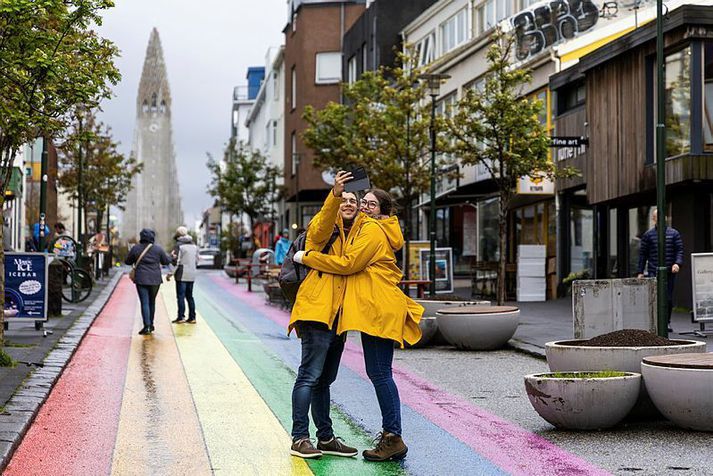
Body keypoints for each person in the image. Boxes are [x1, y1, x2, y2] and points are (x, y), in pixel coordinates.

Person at [294, 188, 423, 462]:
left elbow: (349, 264)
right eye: (361, 201)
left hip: (378, 309)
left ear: (382, 210)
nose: (363, 206)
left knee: (379, 373)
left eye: (370, 204)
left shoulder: (373, 230)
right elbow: (323, 229)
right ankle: (374, 436)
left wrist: (306, 257)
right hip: (372, 309)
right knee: (375, 373)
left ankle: (392, 437)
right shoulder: (366, 228)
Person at [287, 170, 359, 460]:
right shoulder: (324, 227)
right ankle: (299, 437)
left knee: (324, 380)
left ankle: (325, 437)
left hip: (339, 317)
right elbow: (320, 228)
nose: (349, 203)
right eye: (345, 200)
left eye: (354, 200)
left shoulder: (355, 234)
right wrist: (335, 194)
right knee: (309, 376)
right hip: (317, 312)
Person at [637, 209, 684, 332]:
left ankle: (666, 322)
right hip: (654, 271)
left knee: (667, 298)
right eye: (656, 217)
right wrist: (640, 271)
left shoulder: (674, 234)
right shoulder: (648, 235)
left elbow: (679, 250)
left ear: (666, 218)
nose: (659, 219)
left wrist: (677, 263)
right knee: (655, 298)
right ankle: (655, 322)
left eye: (661, 216)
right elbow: (643, 254)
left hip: (669, 272)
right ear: (653, 219)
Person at [125, 228, 171, 335]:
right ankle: (151, 324)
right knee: (152, 301)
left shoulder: (136, 248)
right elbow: (166, 261)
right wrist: (171, 257)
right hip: (155, 279)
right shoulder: (158, 249)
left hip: (141, 279)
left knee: (144, 302)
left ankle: (147, 326)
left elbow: (127, 261)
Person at [168, 227, 199, 324]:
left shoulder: (178, 246)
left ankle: (181, 317)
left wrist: (171, 273)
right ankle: (192, 317)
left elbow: (176, 261)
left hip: (181, 274)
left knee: (181, 296)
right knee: (190, 296)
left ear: (178, 235)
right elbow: (197, 260)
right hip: (192, 274)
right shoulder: (194, 246)